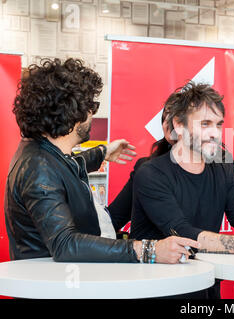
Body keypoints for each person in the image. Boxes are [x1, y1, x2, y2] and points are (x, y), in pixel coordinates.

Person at [5, 58, 198, 264]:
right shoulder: (39, 168)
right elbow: (65, 245)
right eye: (90, 108)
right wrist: (147, 250)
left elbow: (66, 168)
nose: (92, 115)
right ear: (72, 114)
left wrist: (102, 153)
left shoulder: (43, 154)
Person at [107, 103, 234, 232]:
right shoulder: (149, 172)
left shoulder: (222, 168)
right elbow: (113, 220)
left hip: (207, 278)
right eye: (167, 120)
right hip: (160, 278)